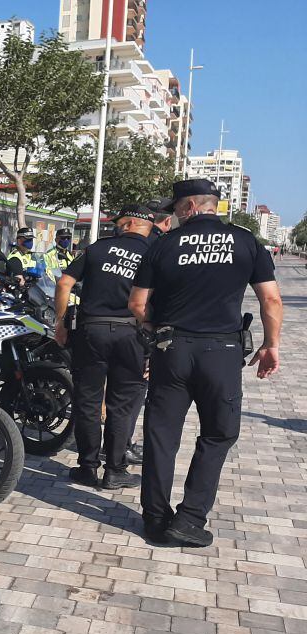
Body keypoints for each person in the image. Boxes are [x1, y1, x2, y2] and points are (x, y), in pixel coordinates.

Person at [129, 178, 283, 547]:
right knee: (218, 434)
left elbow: (136, 304)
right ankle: (189, 518)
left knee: (161, 435)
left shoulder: (163, 245)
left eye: (176, 209)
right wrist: (270, 345)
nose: (174, 216)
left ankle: (155, 519)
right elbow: (272, 301)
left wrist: (153, 327)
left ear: (190, 207)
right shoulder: (247, 241)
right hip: (222, 354)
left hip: (172, 350)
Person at [54, 204, 154, 489]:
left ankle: (87, 467)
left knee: (87, 402)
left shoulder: (97, 249)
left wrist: (61, 322)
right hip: (131, 334)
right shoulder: (154, 253)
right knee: (121, 405)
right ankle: (115, 470)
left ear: (129, 223)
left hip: (91, 330)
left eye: (119, 222)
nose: (116, 226)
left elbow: (64, 284)